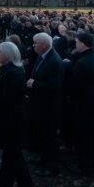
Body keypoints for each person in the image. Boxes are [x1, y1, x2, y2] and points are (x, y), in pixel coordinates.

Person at [0, 41, 36, 187]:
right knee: (9, 155)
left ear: (7, 55)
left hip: (12, 122)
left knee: (15, 157)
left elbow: (7, 100)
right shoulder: (11, 70)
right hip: (9, 120)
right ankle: (4, 183)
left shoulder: (13, 73)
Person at [64, 32, 94, 175]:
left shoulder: (82, 62)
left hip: (85, 101)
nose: (75, 45)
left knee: (84, 135)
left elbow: (76, 85)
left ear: (82, 43)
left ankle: (85, 166)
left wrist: (71, 97)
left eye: (77, 43)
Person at [25, 32, 63, 176]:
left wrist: (35, 84)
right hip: (40, 104)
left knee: (50, 137)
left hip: (49, 107)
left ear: (44, 45)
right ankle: (44, 159)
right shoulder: (43, 56)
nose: (33, 45)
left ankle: (52, 166)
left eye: (35, 43)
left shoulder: (54, 61)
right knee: (43, 135)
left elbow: (55, 85)